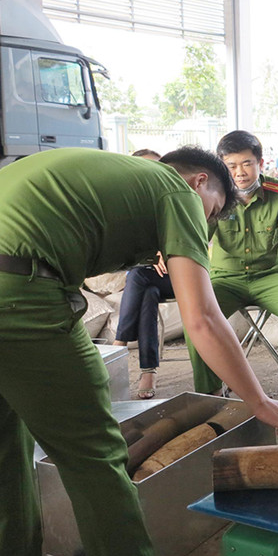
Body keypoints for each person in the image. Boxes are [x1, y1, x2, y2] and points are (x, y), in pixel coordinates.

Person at [0, 146, 278, 556]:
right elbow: (202, 318)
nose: (208, 225)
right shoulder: (178, 192)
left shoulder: (121, 178)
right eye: (215, 212)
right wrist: (260, 402)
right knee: (95, 454)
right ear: (201, 182)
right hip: (16, 297)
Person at [185, 130, 278, 412]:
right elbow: (196, 237)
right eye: (231, 166)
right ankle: (211, 391)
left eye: (247, 163)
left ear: (260, 162)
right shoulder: (215, 194)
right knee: (195, 315)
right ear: (221, 166)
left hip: (269, 276)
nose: (240, 172)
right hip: (225, 280)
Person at [111, 149, 173, 399]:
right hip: (148, 277)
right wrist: (150, 256)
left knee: (137, 277)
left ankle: (118, 345)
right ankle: (149, 370)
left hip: (181, 276)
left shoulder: (173, 199)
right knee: (146, 291)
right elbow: (124, 252)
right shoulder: (129, 207)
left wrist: (167, 252)